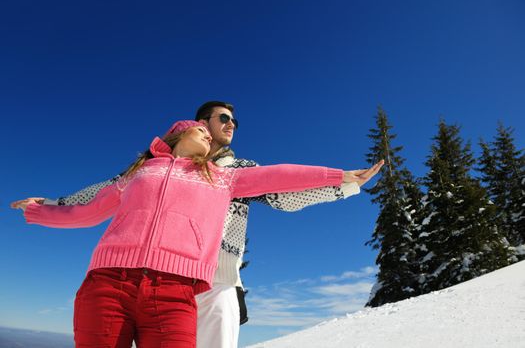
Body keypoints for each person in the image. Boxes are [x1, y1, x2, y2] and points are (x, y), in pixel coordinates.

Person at [13, 102, 383, 348]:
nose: (231, 126)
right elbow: (96, 200)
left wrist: (343, 181)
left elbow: (283, 185)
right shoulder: (143, 171)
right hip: (117, 279)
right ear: (195, 126)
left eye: (234, 122)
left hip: (206, 281)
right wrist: (48, 205)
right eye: (223, 119)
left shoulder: (233, 173)